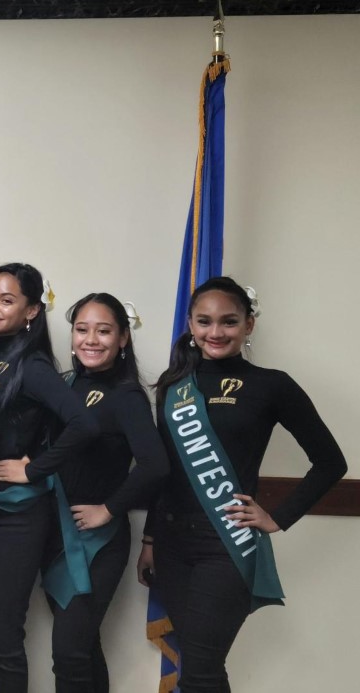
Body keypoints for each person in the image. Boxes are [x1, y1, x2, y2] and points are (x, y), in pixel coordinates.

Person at [139, 276, 346, 693]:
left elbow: (330, 462)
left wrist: (278, 517)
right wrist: (149, 539)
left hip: (226, 544)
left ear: (249, 325)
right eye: (205, 321)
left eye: (229, 322)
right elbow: (166, 472)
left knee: (199, 670)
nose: (216, 332)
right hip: (173, 544)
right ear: (191, 325)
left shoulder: (273, 385)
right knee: (204, 668)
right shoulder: (172, 386)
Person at [0, 262, 98, 693]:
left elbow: (84, 425)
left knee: (5, 635)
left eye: (7, 300)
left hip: (18, 516)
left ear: (32, 310)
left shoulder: (32, 365)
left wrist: (33, 469)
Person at [43, 293, 169, 693]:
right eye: (82, 330)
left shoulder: (126, 394)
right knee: (82, 648)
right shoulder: (66, 384)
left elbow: (156, 465)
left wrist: (108, 509)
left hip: (98, 543)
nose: (91, 340)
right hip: (55, 536)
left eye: (103, 330)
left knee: (68, 652)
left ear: (123, 339)